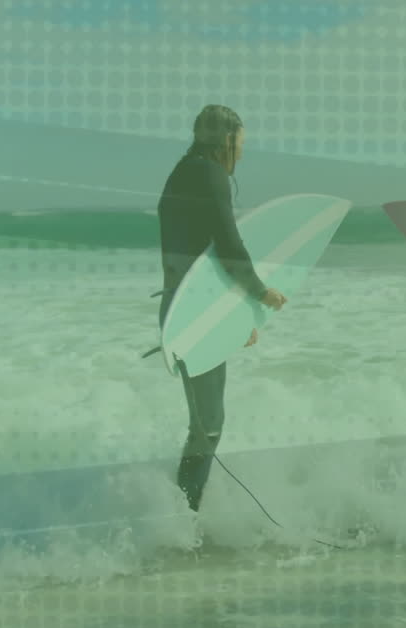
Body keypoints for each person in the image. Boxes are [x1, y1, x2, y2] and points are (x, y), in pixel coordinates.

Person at [157, 104, 288, 512]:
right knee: (208, 428)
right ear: (225, 140)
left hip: (185, 308)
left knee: (205, 426)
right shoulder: (209, 174)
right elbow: (228, 246)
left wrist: (233, 317)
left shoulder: (183, 173)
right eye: (240, 144)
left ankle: (180, 516)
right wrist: (260, 294)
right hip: (195, 315)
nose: (242, 154)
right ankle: (183, 519)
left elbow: (198, 257)